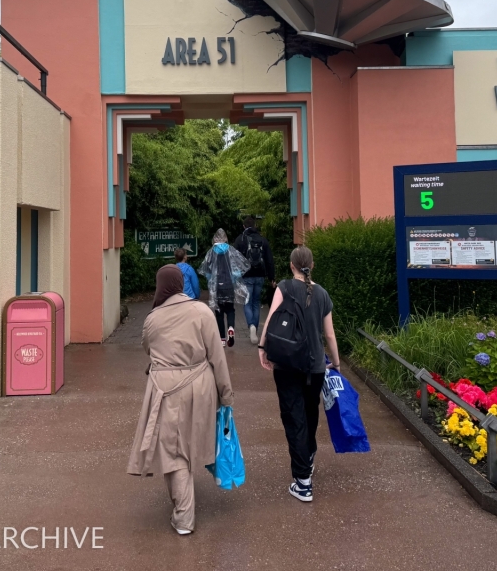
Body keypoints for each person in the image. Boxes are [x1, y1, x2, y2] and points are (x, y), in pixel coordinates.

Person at [128, 265, 234, 536]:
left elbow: (147, 348)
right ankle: (183, 505)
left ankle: (184, 517)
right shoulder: (201, 312)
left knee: (174, 450)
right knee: (188, 442)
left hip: (165, 390)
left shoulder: (153, 318)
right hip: (201, 386)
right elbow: (217, 357)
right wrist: (226, 395)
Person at [258, 245, 341, 503]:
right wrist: (336, 363)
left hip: (286, 363)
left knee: (293, 417)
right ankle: (309, 455)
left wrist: (263, 347)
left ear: (291, 265)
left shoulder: (283, 287)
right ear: (312, 265)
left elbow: (271, 319)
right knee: (309, 413)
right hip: (315, 365)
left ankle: (303, 482)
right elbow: (329, 334)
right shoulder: (323, 294)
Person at [198, 228, 249, 346]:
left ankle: (222, 339)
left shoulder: (211, 252)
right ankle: (230, 327)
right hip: (229, 286)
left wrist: (210, 281)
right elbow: (239, 268)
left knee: (219, 312)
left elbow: (207, 271)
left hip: (217, 288)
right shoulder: (231, 251)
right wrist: (233, 279)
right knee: (230, 310)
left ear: (215, 239)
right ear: (225, 238)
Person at [234, 216, 275, 345]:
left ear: (244, 226)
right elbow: (269, 260)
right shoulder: (263, 240)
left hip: (246, 275)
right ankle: (255, 330)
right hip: (260, 275)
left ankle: (251, 325)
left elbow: (234, 259)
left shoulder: (240, 239)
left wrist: (236, 276)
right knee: (256, 302)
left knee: (247, 302)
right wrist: (272, 277)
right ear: (255, 225)